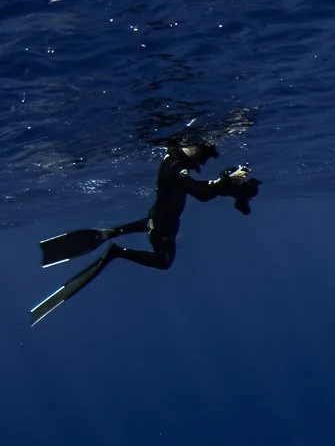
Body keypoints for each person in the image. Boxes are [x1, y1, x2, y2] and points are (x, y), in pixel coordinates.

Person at [30, 135, 261, 326]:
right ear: (186, 145)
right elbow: (200, 192)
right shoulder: (174, 167)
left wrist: (229, 184)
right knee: (163, 262)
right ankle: (116, 251)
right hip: (161, 227)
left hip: (159, 220)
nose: (200, 155)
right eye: (199, 148)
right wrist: (223, 182)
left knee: (154, 227)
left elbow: (204, 190)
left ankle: (115, 231)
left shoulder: (174, 164)